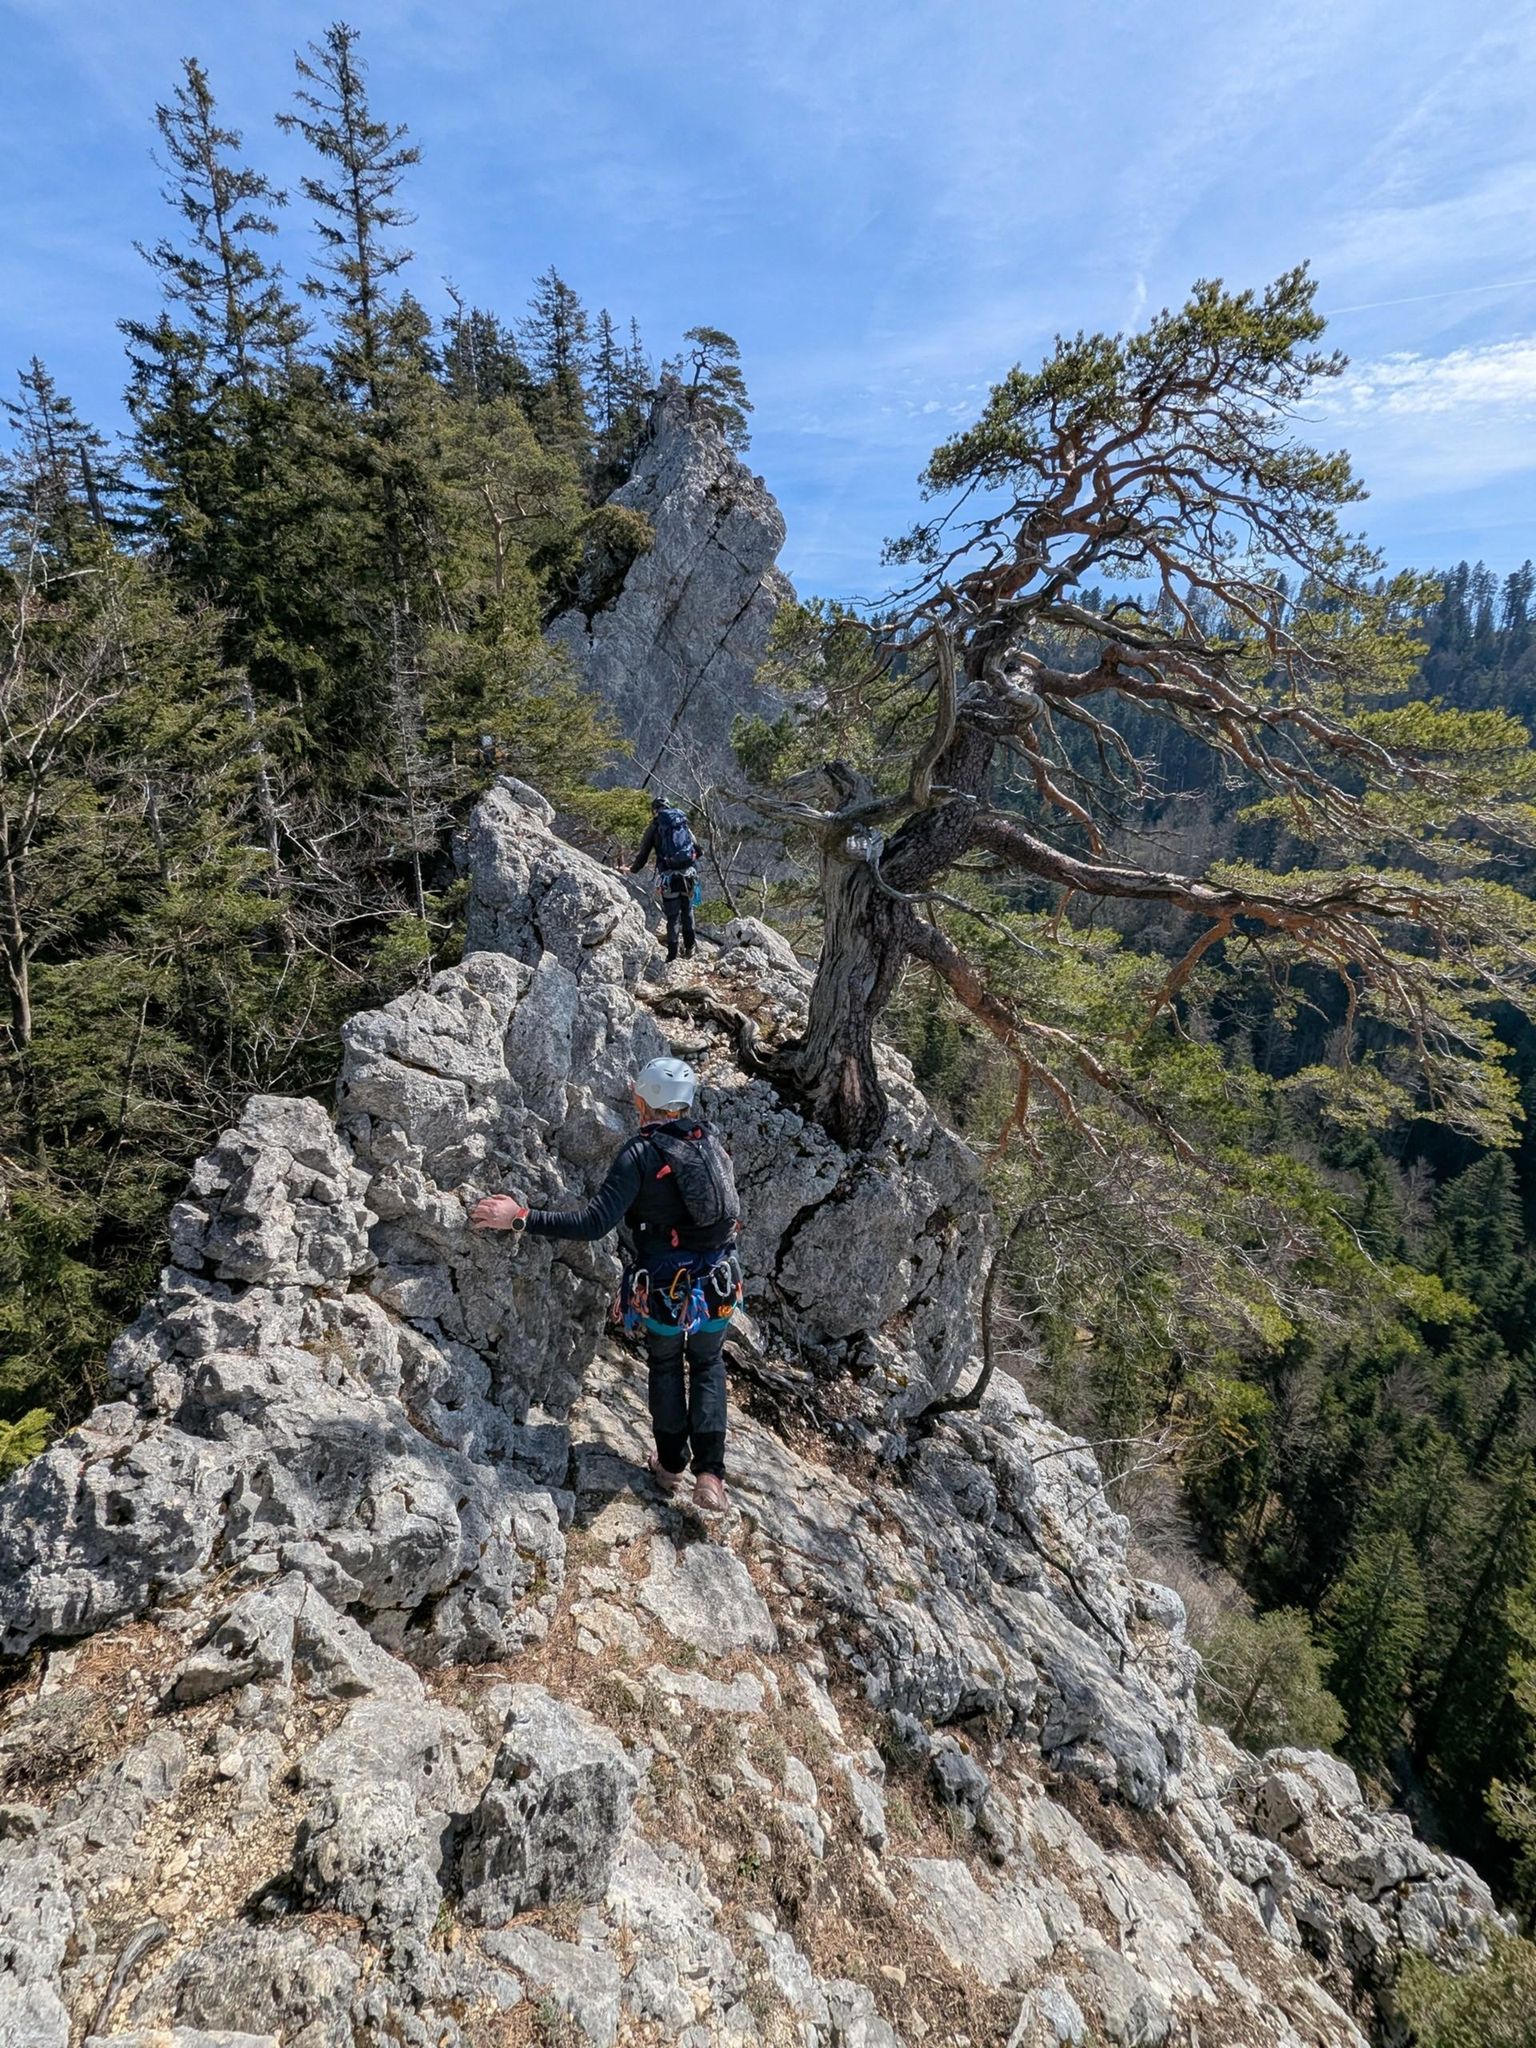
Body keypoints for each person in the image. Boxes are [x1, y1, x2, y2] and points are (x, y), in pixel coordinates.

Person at [470, 1055, 741, 1512]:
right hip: (718, 1282)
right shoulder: (709, 1139)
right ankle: (711, 1475)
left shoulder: (640, 1154)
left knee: (667, 1365)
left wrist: (520, 1217)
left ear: (641, 1101)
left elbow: (594, 1223)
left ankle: (671, 1465)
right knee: (708, 1364)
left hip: (666, 1288)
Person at [632, 794, 699, 962]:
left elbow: (643, 854)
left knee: (672, 916)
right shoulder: (681, 823)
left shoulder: (654, 827)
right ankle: (690, 948)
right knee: (688, 912)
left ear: (654, 811)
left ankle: (672, 956)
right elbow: (698, 849)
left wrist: (633, 870)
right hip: (688, 875)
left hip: (669, 877)